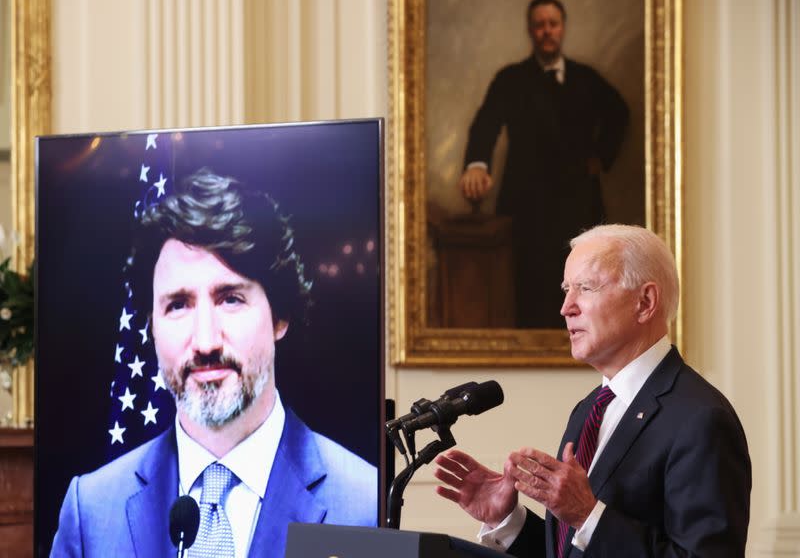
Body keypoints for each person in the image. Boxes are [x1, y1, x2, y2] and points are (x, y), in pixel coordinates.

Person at [50, 169, 377, 558]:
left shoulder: (365, 504)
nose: (205, 341)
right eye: (178, 305)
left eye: (230, 299)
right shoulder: (90, 509)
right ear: (151, 327)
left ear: (280, 315)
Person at [434, 224, 751, 557]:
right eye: (566, 289)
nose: (567, 307)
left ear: (644, 302)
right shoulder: (589, 409)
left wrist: (588, 515)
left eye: (585, 287)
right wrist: (507, 521)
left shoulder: (701, 419)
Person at [459, 0, 629, 328]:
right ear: (530, 31)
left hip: (578, 207)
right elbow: (485, 125)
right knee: (529, 296)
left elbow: (620, 113)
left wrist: (601, 156)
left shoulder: (586, 79)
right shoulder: (510, 79)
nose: (547, 31)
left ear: (562, 28)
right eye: (540, 25)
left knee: (582, 291)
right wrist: (477, 165)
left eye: (553, 24)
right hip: (527, 209)